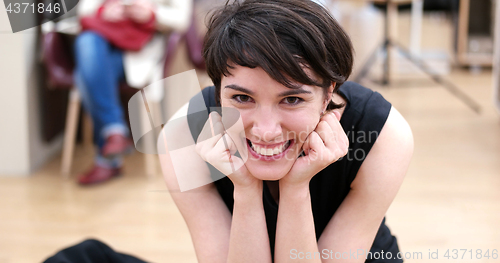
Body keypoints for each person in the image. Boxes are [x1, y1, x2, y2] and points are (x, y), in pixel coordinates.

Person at [160, 0, 413, 262]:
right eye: (242, 98)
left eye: (292, 100)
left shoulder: (383, 134)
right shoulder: (183, 137)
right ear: (218, 88)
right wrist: (246, 191)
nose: (266, 131)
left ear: (329, 94)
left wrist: (296, 188)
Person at [74, 0, 192, 185]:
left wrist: (151, 13)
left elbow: (182, 20)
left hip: (139, 52)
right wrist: (104, 10)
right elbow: (83, 11)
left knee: (85, 75)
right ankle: (114, 135)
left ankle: (109, 153)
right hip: (101, 43)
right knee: (87, 44)